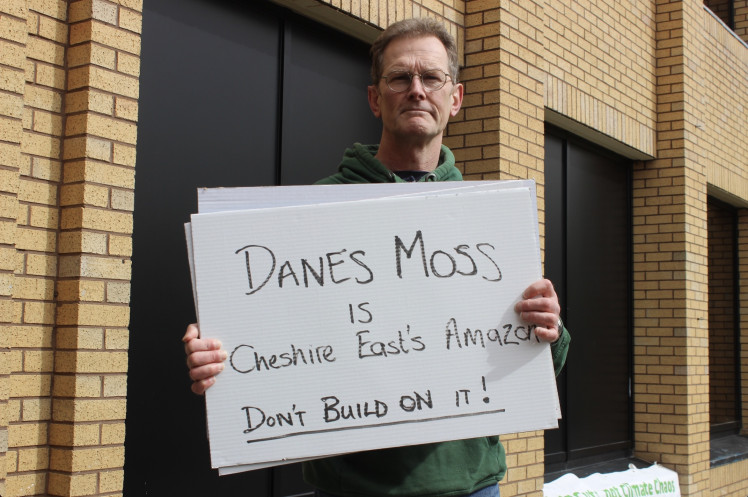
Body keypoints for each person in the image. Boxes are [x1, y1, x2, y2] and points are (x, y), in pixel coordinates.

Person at [183, 17, 570, 497]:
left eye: (431, 77)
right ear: (374, 98)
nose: (416, 90)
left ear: (456, 98)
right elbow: (266, 339)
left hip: (471, 486)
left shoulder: (488, 219)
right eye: (399, 77)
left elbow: (541, 359)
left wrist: (548, 328)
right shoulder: (307, 214)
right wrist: (218, 360)